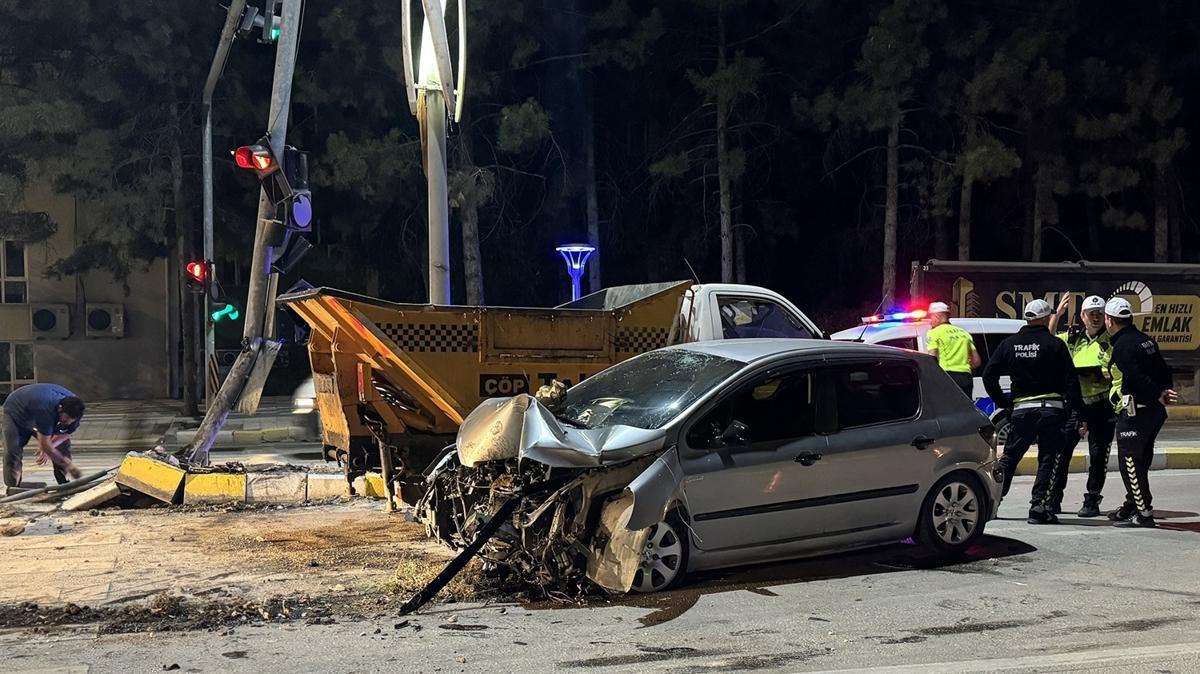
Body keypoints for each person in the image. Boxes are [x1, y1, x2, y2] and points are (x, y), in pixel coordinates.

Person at [983, 299, 1082, 524]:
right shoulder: (1055, 344)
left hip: (1021, 411)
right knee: (1048, 458)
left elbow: (989, 376)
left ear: (1027, 318)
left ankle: (993, 503)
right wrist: (1076, 412)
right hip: (1052, 411)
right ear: (1047, 318)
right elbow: (1071, 381)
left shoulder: (1009, 344)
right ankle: (1039, 507)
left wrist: (1005, 403)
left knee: (1009, 458)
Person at [1104, 297, 1176, 528]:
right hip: (1153, 413)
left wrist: (1155, 393)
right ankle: (1132, 505)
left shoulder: (1123, 346)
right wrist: (1163, 392)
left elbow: (1135, 376)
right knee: (1141, 459)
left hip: (1136, 412)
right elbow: (1164, 370)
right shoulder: (1145, 340)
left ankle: (1144, 513)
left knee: (1131, 463)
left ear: (1109, 320)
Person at [1046, 294, 1117, 517]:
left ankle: (1092, 500)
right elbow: (1049, 340)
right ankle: (1053, 499)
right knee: (1062, 451)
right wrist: (1056, 314)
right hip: (1076, 406)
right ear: (1082, 316)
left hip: (1102, 405)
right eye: (1091, 314)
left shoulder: (1113, 341)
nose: (1095, 318)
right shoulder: (1074, 338)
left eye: (1099, 314)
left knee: (1098, 454)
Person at [1, 384, 86, 489]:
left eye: (68, 422)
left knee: (62, 447)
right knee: (13, 449)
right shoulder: (45, 410)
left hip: (38, 408)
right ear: (60, 409)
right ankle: (13, 486)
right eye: (64, 420)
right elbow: (46, 445)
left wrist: (51, 446)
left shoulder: (75, 410)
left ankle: (65, 484)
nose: (65, 423)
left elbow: (65, 434)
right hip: (16, 412)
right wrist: (69, 465)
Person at [925, 301, 981, 399]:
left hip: (947, 377)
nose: (930, 321)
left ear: (937, 316)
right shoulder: (964, 333)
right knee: (964, 410)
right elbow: (976, 362)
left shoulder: (933, 333)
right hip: (966, 379)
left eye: (931, 317)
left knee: (947, 411)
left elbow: (932, 358)